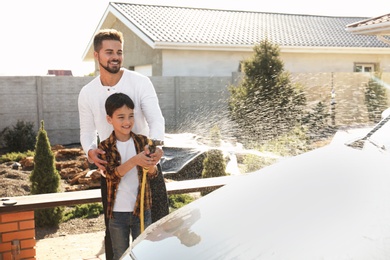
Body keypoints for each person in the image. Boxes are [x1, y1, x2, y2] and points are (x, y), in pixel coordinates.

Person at [78, 28, 169, 260]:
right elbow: (87, 132)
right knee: (115, 239)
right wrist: (90, 151)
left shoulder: (140, 82)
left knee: (157, 233)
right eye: (109, 52)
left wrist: (157, 146)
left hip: (147, 165)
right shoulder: (87, 93)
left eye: (119, 51)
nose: (115, 56)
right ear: (97, 55)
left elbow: (156, 118)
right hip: (113, 171)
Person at [99, 93, 157, 259]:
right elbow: (110, 175)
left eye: (131, 116)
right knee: (121, 256)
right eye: (121, 117)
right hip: (117, 214)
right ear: (109, 119)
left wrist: (150, 166)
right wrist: (135, 160)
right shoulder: (105, 147)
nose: (127, 122)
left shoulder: (142, 142)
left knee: (145, 254)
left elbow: (153, 174)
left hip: (141, 210)